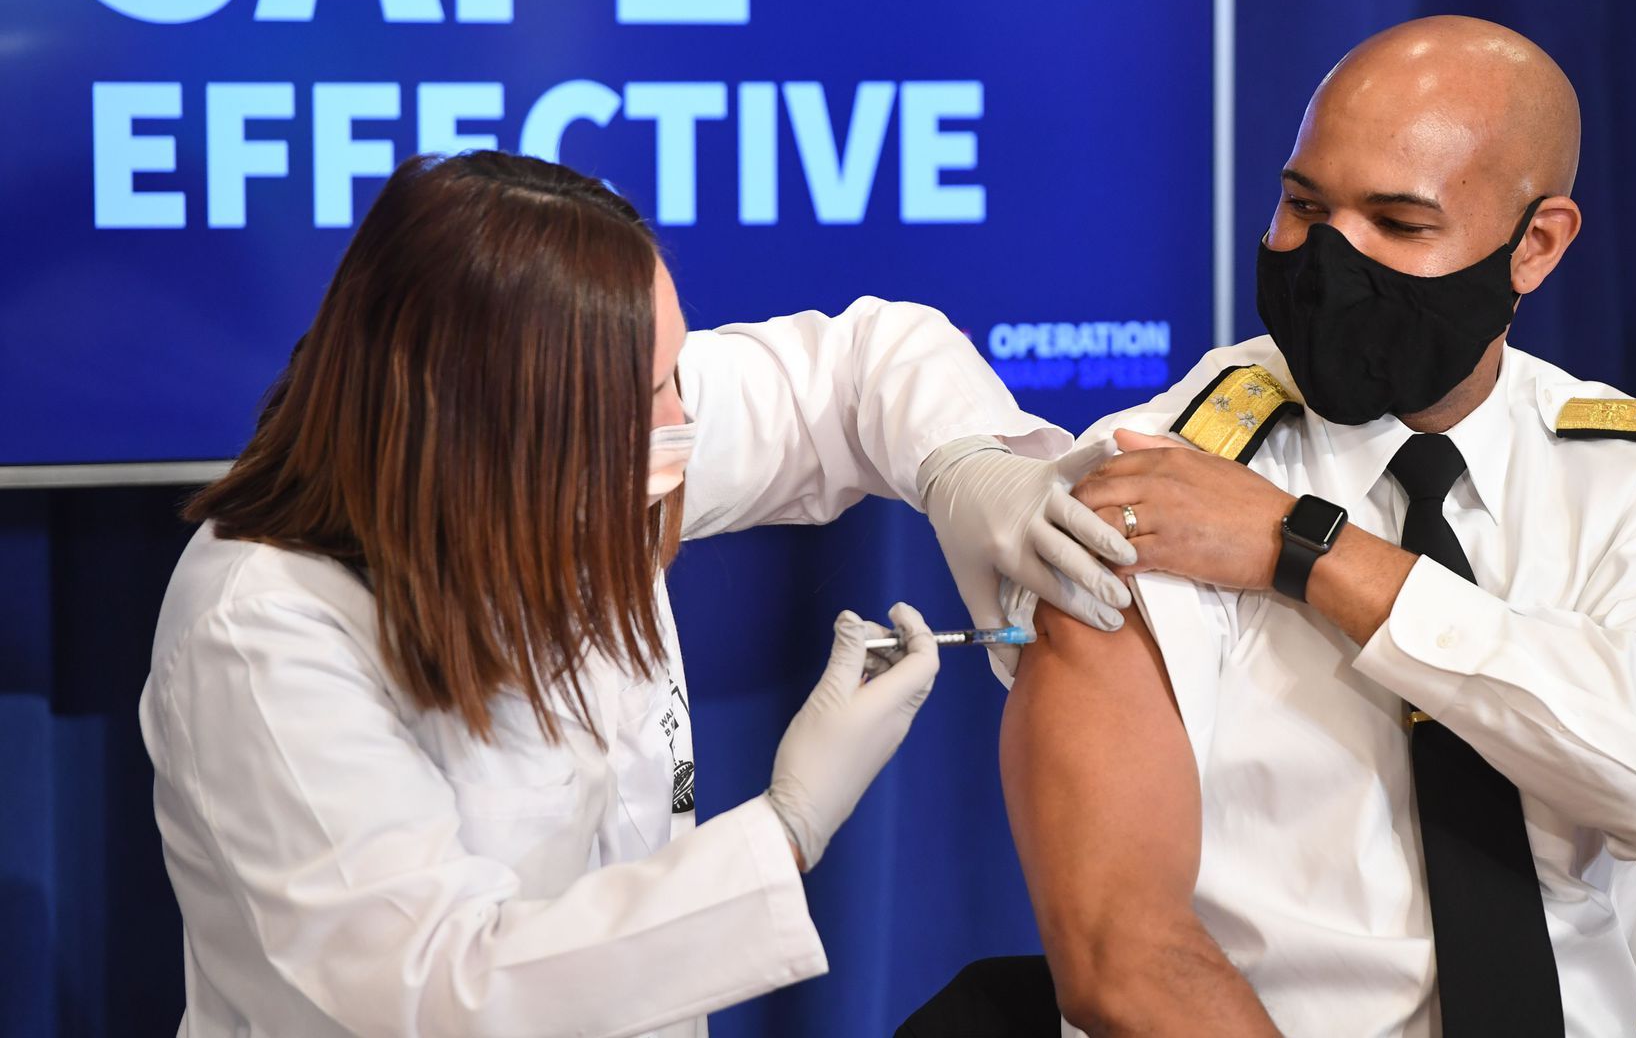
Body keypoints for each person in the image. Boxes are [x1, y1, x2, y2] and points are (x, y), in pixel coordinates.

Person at [141, 150, 1135, 1037]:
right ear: (499, 424)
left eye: (674, 372)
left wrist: (963, 467)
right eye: (651, 392)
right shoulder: (264, 630)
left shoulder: (586, 450)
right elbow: (443, 993)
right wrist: (784, 830)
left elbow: (862, 367)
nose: (685, 419)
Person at [992, 17, 1636, 1037]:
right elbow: (1123, 960)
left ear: (1535, 245)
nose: (1329, 261)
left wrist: (1309, 551)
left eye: (1399, 225)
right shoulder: (1162, 469)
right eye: (1302, 207)